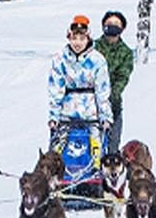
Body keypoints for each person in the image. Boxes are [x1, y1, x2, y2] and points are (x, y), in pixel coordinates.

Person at [47, 14, 112, 146]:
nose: (77, 43)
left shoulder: (97, 61)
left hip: (91, 117)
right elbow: (55, 90)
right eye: (74, 38)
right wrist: (54, 116)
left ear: (88, 39)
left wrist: (105, 117)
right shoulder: (60, 60)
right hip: (66, 116)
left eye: (82, 39)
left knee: (96, 154)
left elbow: (103, 92)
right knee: (58, 155)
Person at [93, 9, 135, 137]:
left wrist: (110, 94)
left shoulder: (126, 52)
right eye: (109, 22)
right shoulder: (92, 47)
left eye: (116, 23)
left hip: (112, 106)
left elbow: (123, 77)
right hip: (87, 106)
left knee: (111, 150)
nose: (112, 26)